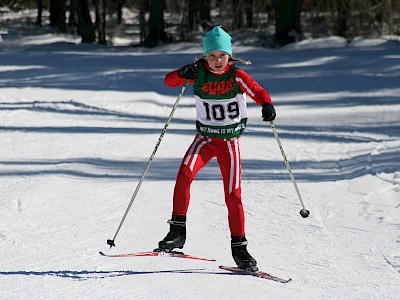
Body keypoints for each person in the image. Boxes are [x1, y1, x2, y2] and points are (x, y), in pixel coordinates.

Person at [156, 26, 276, 272]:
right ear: (204, 57)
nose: (217, 61)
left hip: (230, 143)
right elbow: (169, 81)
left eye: (222, 55)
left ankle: (239, 248)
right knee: (184, 175)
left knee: (233, 194)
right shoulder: (197, 73)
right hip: (205, 139)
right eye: (212, 56)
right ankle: (177, 231)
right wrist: (182, 72)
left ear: (229, 56)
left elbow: (259, 91)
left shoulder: (237, 76)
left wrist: (267, 105)